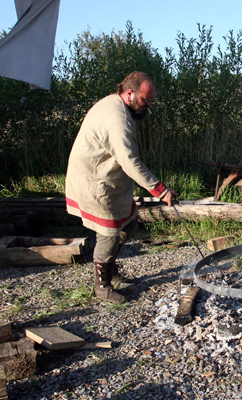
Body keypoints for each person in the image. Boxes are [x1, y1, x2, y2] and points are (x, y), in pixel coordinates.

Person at [66, 71, 177, 304]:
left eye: (151, 100)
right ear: (129, 93)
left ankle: (110, 267)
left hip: (107, 176)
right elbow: (130, 161)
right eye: (145, 99)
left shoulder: (116, 103)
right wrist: (160, 190)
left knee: (129, 220)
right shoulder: (118, 119)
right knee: (109, 232)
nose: (148, 105)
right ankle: (102, 286)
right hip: (96, 180)